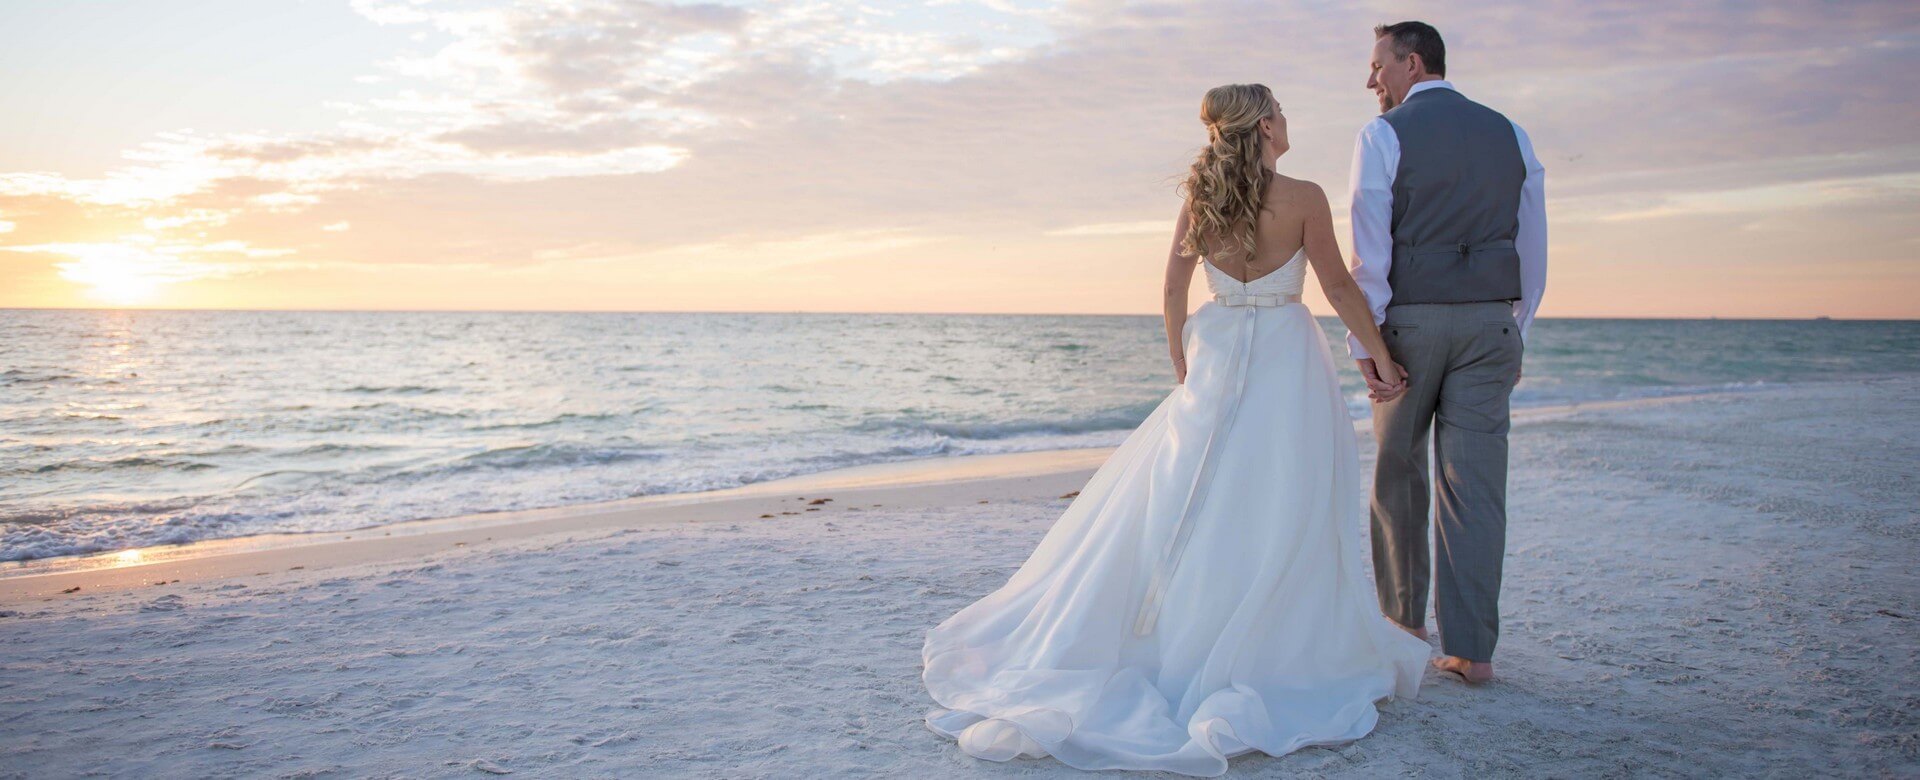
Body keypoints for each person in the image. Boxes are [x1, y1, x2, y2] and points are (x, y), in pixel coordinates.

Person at [920, 82, 1431, 777]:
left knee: (1191, 496)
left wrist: (1182, 360)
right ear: (1264, 125)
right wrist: (1381, 358)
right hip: (1285, 352)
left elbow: (1171, 289)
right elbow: (1339, 288)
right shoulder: (1305, 196)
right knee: (1281, 494)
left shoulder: (1201, 196)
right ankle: (1267, 636)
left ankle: (1175, 630)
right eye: (1280, 112)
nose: (1288, 121)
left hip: (1216, 349)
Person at [1349, 21, 1548, 685]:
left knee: (1398, 475)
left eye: (1379, 65)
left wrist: (1366, 342)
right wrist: (1513, 324)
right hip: (1491, 325)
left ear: (1411, 61)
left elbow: (1370, 249)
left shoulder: (1383, 134)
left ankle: (1404, 626)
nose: (1372, 80)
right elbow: (1532, 246)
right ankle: (1471, 653)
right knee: (1476, 489)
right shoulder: (1511, 133)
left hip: (1410, 323)